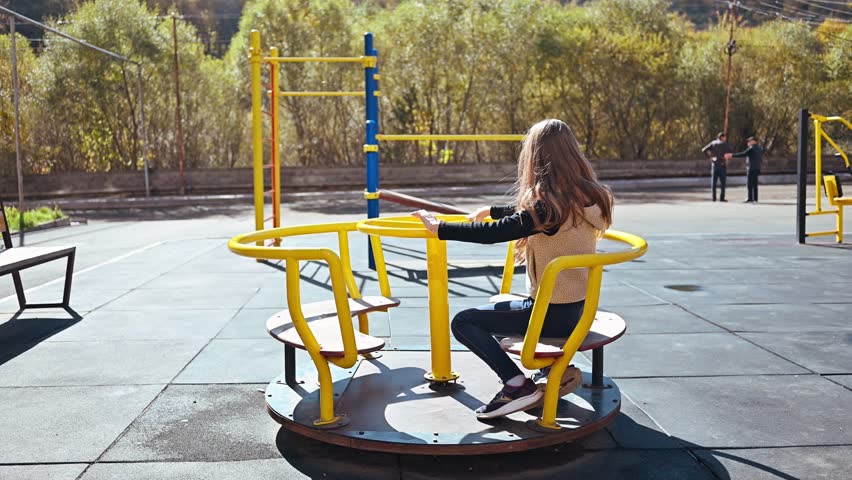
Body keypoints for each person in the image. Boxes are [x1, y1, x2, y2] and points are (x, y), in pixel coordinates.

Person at [411, 119, 613, 419]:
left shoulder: (548, 205)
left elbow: (495, 233)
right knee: (500, 305)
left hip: (550, 316)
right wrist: (492, 211)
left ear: (537, 157)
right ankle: (551, 369)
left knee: (465, 322)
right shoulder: (591, 197)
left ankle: (516, 383)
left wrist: (439, 228)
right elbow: (534, 217)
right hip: (578, 310)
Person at [702, 132, 734, 202]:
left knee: (713, 182)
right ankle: (722, 197)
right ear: (722, 137)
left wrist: (710, 157)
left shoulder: (713, 143)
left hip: (714, 164)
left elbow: (704, 150)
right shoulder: (725, 144)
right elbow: (731, 151)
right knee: (723, 182)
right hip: (722, 164)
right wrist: (727, 157)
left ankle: (714, 198)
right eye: (725, 137)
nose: (725, 139)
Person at [731, 136, 763, 203]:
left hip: (751, 168)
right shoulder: (760, 148)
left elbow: (743, 154)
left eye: (749, 141)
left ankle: (750, 198)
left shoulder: (751, 148)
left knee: (749, 184)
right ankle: (755, 198)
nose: (748, 142)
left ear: (754, 141)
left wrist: (732, 155)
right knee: (755, 184)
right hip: (757, 168)